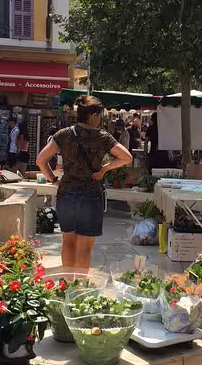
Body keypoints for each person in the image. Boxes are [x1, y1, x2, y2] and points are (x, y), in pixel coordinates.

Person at [36, 96, 132, 272]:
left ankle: (66, 284)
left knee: (68, 242)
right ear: (94, 115)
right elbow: (126, 157)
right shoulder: (103, 137)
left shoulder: (63, 134)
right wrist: (105, 169)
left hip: (66, 194)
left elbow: (41, 160)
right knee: (84, 247)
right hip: (91, 195)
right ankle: (79, 289)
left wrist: (53, 179)